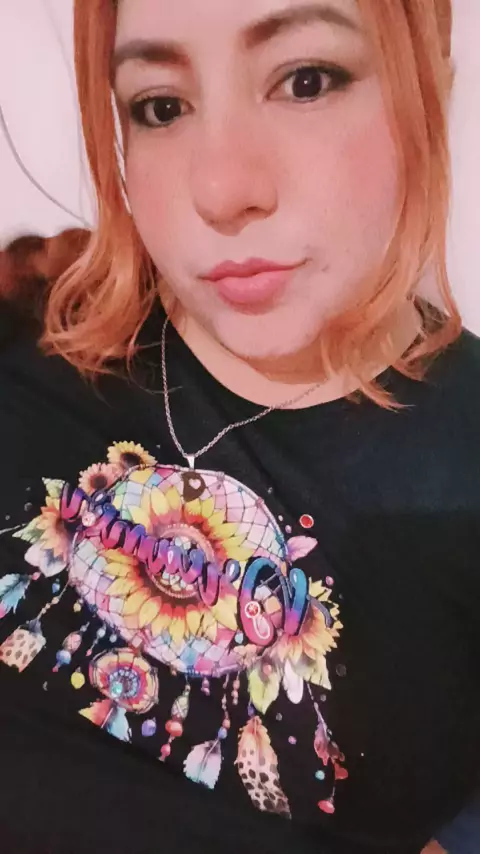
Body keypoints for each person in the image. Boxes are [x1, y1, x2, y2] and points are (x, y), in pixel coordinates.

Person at [0, 1, 478, 852]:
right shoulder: (31, 334)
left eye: (307, 80)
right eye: (161, 106)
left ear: (430, 59)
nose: (222, 191)